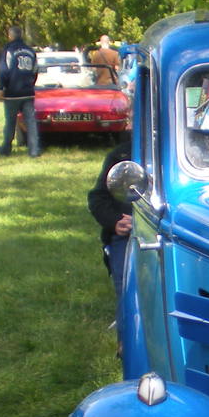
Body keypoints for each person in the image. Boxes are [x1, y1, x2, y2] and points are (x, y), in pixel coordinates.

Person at [87, 141, 134, 338]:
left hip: (170, 232)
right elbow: (97, 199)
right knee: (129, 286)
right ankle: (126, 342)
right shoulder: (121, 156)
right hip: (128, 235)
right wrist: (116, 222)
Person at [0, 25, 40, 157]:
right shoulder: (31, 51)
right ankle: (34, 150)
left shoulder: (8, 50)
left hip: (12, 93)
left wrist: (1, 88)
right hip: (28, 92)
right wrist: (30, 84)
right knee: (31, 122)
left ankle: (6, 148)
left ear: (10, 36)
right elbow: (35, 71)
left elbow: (4, 71)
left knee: (10, 121)